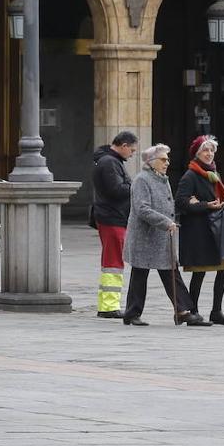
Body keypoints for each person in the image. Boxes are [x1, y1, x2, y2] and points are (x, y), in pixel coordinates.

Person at [121, 144, 197, 326]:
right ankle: (132, 313)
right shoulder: (142, 180)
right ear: (151, 161)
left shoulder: (162, 178)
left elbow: (166, 204)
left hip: (162, 237)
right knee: (140, 274)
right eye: (163, 159)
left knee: (170, 272)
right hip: (145, 237)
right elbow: (142, 208)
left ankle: (182, 311)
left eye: (167, 159)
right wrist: (166, 222)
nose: (167, 163)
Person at [174, 135, 224, 327]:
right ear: (197, 154)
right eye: (205, 150)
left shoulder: (213, 173)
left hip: (217, 228)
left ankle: (217, 311)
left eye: (212, 150)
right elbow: (181, 202)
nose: (209, 154)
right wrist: (206, 205)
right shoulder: (190, 175)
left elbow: (220, 196)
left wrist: (217, 204)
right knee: (199, 272)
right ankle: (194, 312)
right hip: (199, 231)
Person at [91, 131, 138, 319]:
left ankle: (108, 305)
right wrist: (135, 186)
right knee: (113, 263)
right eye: (132, 150)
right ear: (124, 145)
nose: (132, 154)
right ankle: (109, 306)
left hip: (112, 216)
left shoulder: (110, 161)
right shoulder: (109, 162)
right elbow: (116, 190)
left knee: (112, 261)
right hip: (112, 217)